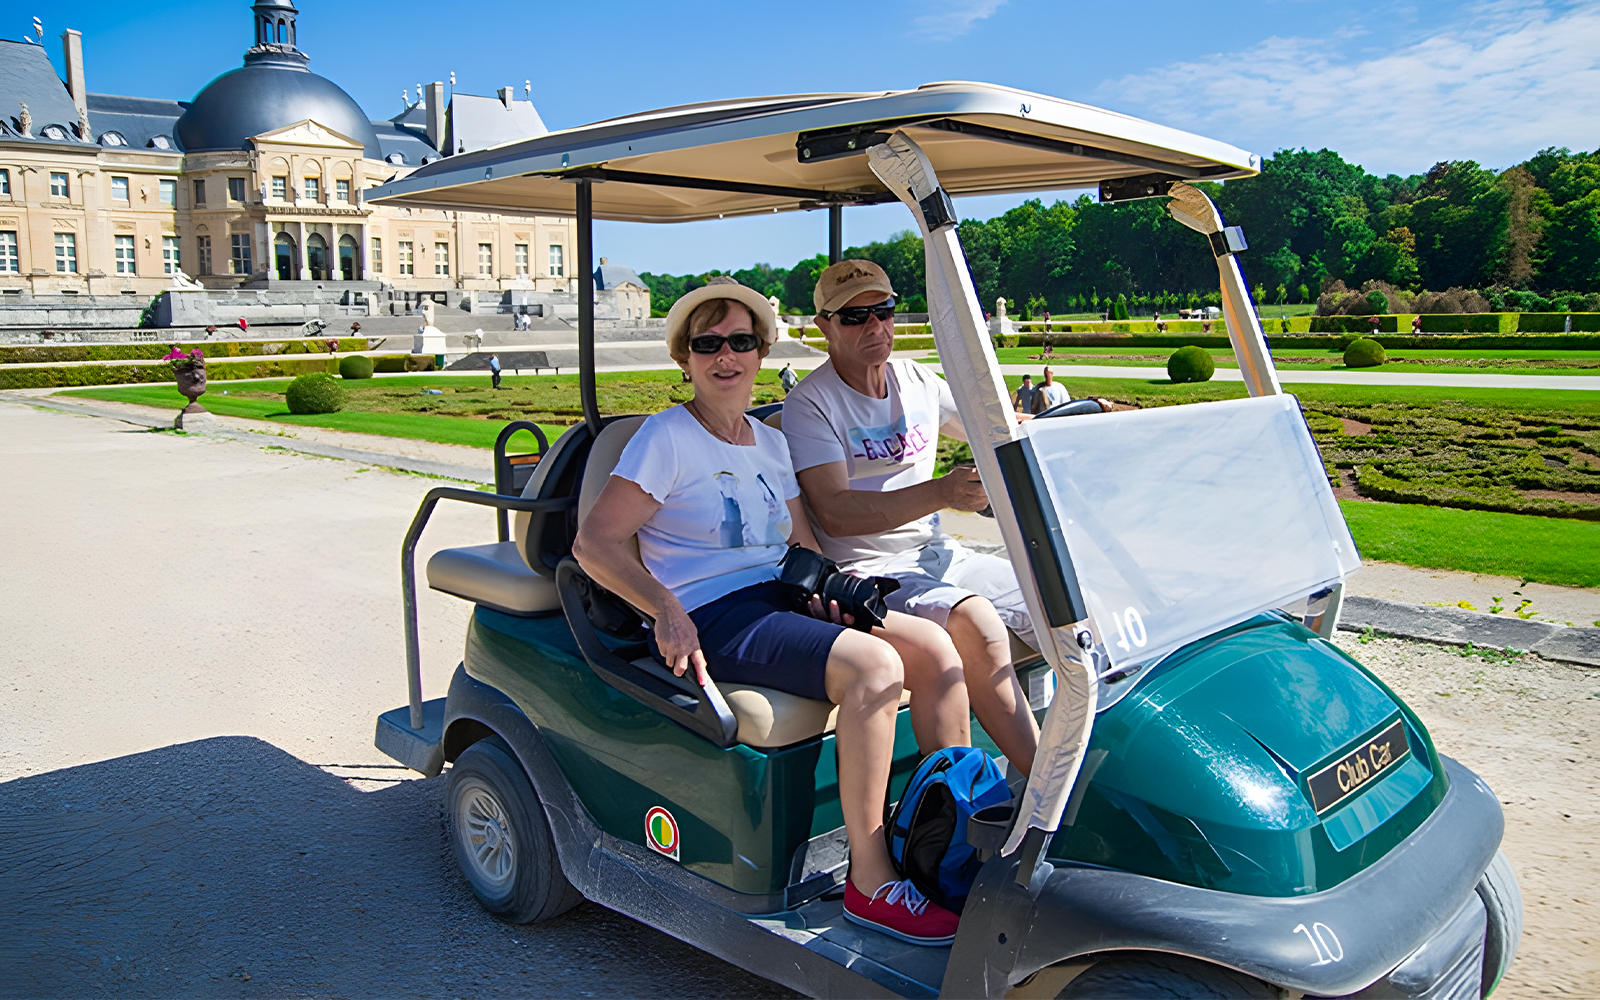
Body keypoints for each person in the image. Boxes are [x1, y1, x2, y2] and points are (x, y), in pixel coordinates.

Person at [574, 277, 966, 945]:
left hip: (778, 596)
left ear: (761, 352)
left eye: (741, 342)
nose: (725, 357)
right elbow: (595, 543)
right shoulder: (664, 439)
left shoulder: (770, 441)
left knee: (934, 648)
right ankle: (872, 883)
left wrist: (830, 591)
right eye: (708, 344)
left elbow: (800, 543)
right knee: (875, 668)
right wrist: (664, 608)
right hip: (712, 612)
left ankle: (950, 834)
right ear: (685, 358)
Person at [782, 260, 1041, 777]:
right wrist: (944, 492)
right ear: (823, 327)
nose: (874, 326)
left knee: (1061, 599)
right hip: (867, 571)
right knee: (977, 622)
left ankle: (1072, 769)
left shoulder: (917, 379)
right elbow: (834, 511)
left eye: (884, 310)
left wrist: (1063, 425)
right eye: (854, 316)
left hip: (939, 556)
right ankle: (1029, 796)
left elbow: (991, 428)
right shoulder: (811, 404)